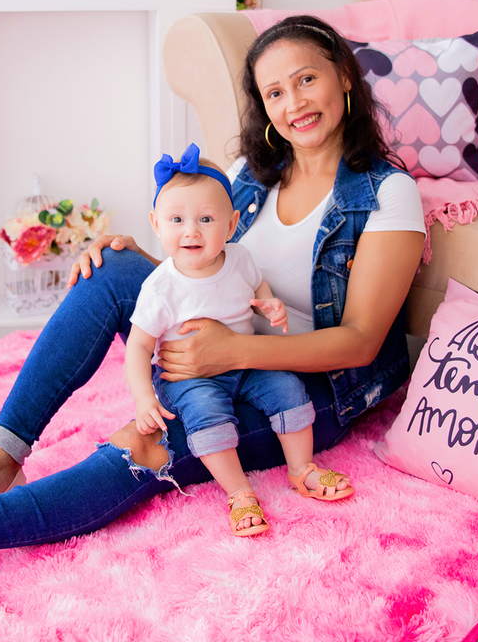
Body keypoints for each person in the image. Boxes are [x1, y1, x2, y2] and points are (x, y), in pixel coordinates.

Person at [0, 15, 427, 588]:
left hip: (307, 387)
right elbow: (207, 258)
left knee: (149, 444)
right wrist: (151, 255)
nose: (293, 104)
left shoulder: (385, 193)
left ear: (343, 74)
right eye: (274, 91)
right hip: (221, 339)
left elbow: (363, 339)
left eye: (307, 79)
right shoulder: (250, 176)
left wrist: (234, 349)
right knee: (110, 267)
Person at [130, 143, 353, 538]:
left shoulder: (239, 258)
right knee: (206, 413)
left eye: (205, 219)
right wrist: (144, 398)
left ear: (231, 225)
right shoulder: (161, 287)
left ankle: (302, 468)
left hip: (243, 363)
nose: (191, 231)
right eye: (177, 219)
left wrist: (269, 304)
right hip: (189, 378)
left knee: (288, 387)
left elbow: (257, 286)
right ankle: (239, 492)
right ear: (156, 223)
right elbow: (139, 347)